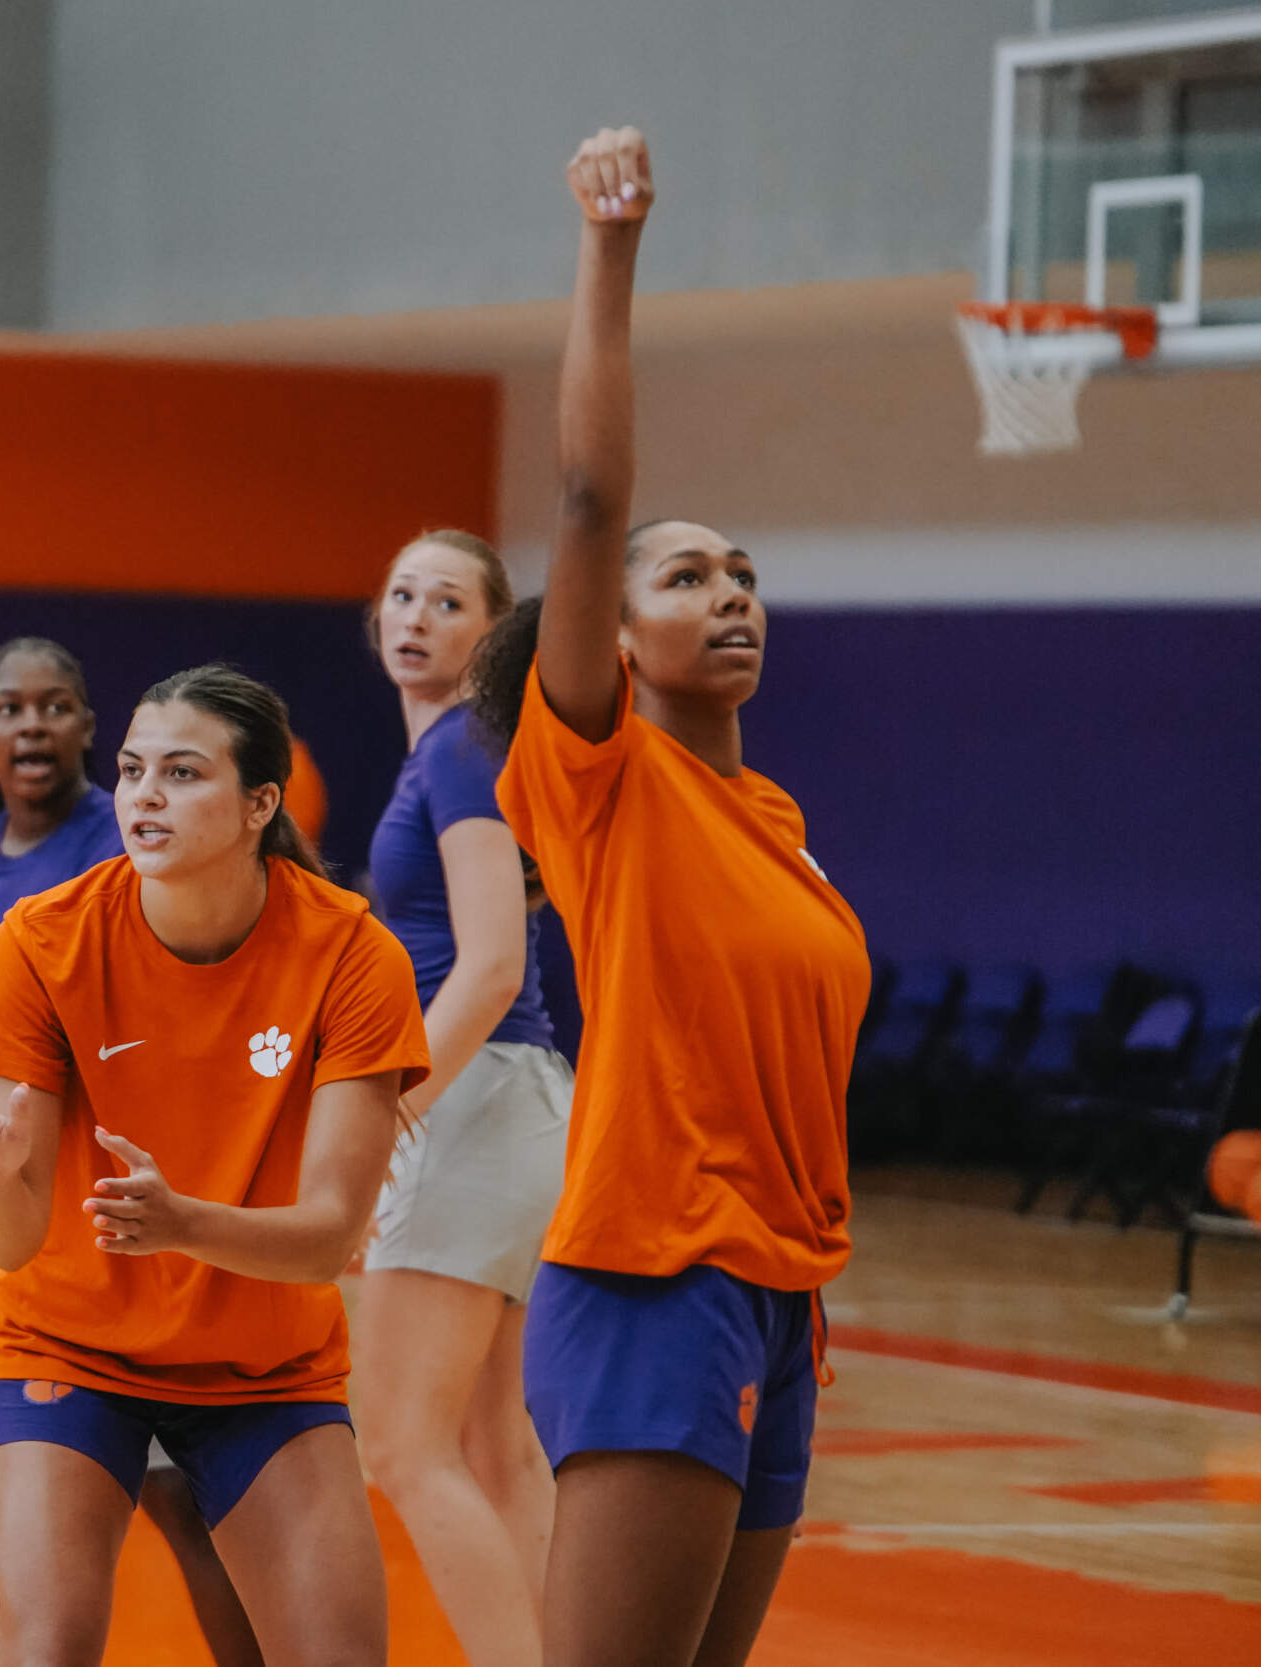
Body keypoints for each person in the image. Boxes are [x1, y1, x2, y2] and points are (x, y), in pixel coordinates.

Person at [469, 129, 867, 1667]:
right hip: (653, 1279)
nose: (732, 593)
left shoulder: (777, 824)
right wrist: (611, 249)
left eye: (744, 572)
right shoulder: (598, 780)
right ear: (617, 638)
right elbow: (587, 494)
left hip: (779, 1289)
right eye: (688, 577)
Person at [0, 664, 429, 1667]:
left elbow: (329, 1236)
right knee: (46, 1647)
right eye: (135, 769)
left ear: (260, 804)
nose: (144, 794)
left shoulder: (353, 956)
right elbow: (11, 1244)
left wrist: (181, 1222)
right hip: (70, 1344)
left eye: (183, 772)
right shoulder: (43, 940)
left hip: (264, 1365)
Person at [0, 638, 261, 1667]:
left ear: (88, 730)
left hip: (113, 1210)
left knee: (174, 1489)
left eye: (55, 705)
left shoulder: (122, 845)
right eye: (11, 708)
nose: (32, 724)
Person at [351, 529, 568, 1667]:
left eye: (447, 601)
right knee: (497, 1445)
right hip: (515, 1102)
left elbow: (489, 965)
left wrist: (385, 1114)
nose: (417, 616)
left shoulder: (463, 747)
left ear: (492, 634)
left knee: (400, 1440)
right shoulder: (454, 750)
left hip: (472, 1097)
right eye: (402, 595)